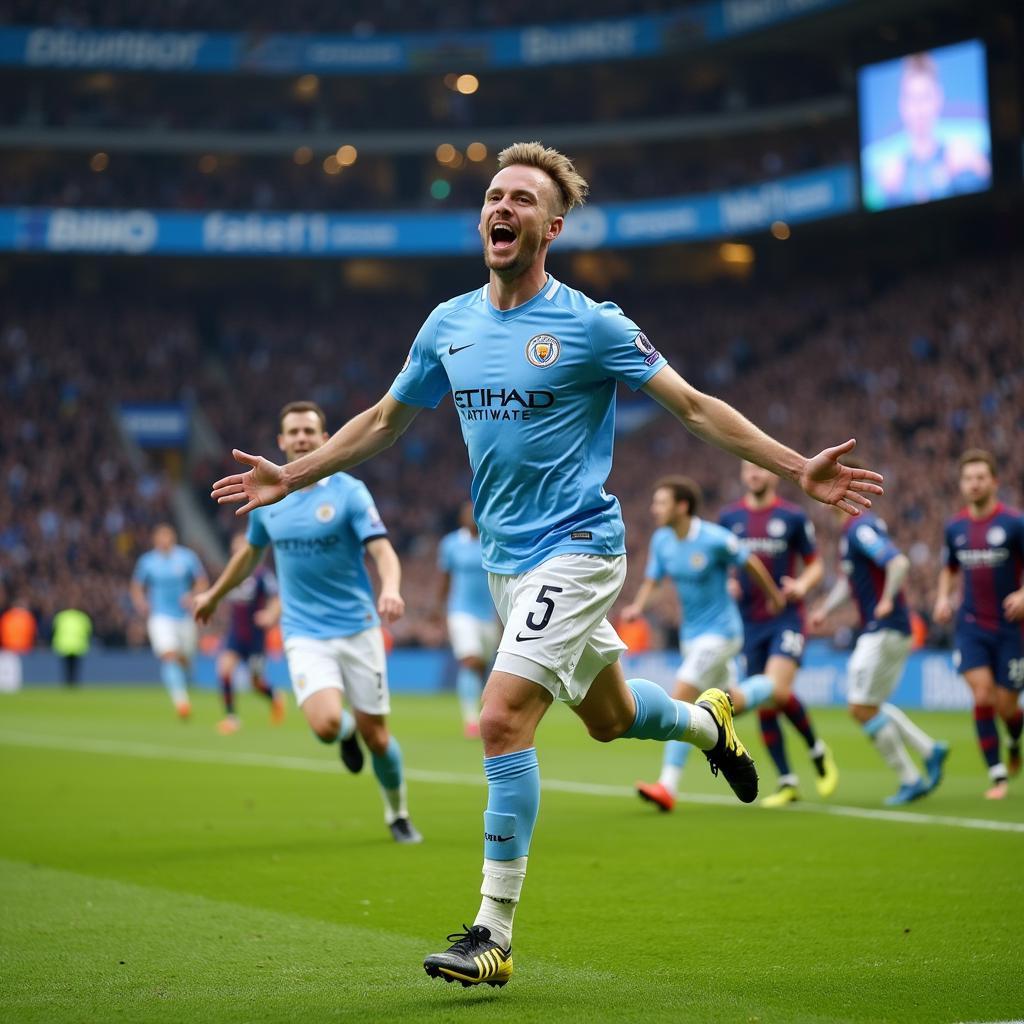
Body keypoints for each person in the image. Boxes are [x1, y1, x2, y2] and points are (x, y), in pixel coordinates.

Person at [211, 143, 882, 987]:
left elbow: (694, 407)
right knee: (607, 719)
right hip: (505, 564)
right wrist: (293, 475)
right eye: (494, 195)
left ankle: (492, 932)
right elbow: (385, 420)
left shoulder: (593, 323)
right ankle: (709, 724)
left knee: (500, 719)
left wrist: (794, 469)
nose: (503, 207)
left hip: (581, 547)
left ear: (551, 226)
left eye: (521, 199)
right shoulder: (447, 324)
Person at [196, 401, 421, 844]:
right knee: (324, 726)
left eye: (310, 431)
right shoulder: (267, 499)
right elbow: (249, 555)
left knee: (379, 739)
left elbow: (382, 550)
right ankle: (346, 731)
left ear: (325, 438)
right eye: (293, 432)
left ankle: (397, 813)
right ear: (281, 441)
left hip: (358, 628)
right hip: (303, 632)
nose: (301, 438)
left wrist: (391, 588)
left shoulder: (349, 492)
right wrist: (214, 593)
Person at [624, 475, 785, 813]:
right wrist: (639, 606)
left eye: (661, 502)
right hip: (692, 637)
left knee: (681, 698)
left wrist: (773, 595)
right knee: (730, 704)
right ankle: (768, 686)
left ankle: (667, 785)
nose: (655, 508)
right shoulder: (662, 541)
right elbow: (654, 581)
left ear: (682, 507)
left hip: (722, 634)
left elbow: (749, 562)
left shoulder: (713, 539)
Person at [809, 505, 947, 805]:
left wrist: (886, 600)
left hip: (884, 627)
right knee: (869, 705)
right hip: (884, 628)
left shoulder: (860, 528)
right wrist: (825, 609)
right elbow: (851, 582)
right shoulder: (851, 532)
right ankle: (929, 750)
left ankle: (910, 779)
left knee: (860, 708)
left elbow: (898, 562)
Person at [718, 462, 837, 807]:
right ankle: (787, 781)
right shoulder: (728, 519)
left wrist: (801, 584)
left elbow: (816, 564)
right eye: (748, 468)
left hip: (785, 617)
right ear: (741, 474)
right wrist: (726, 581)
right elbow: (719, 564)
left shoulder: (792, 517)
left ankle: (816, 750)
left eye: (760, 468)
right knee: (765, 700)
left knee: (777, 688)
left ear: (771, 474)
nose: (755, 474)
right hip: (747, 624)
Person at [933, 449, 1024, 800]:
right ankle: (997, 775)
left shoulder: (1014, 524)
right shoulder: (955, 527)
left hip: (1011, 628)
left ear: (994, 482)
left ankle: (1014, 739)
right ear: (961, 484)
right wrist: (943, 597)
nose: (974, 484)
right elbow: (949, 567)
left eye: (980, 478)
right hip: (971, 625)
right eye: (968, 478)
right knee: (982, 694)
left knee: (1007, 707)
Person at [878, 52, 990, 207]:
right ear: (902, 104)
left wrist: (980, 166)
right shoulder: (890, 174)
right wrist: (886, 192)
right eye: (912, 99)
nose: (919, 110)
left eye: (925, 97)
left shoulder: (965, 155)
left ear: (938, 98)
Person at [130, 523, 208, 719]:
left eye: (168, 537)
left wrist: (193, 595)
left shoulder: (187, 557)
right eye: (161, 537)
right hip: (160, 616)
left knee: (185, 658)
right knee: (169, 654)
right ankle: (181, 702)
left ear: (173, 538)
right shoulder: (147, 561)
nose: (164, 541)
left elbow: (201, 581)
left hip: (184, 617)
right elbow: (137, 585)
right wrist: (140, 602)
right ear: (155, 540)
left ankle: (184, 679)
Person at [213, 532, 286, 735]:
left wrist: (270, 614)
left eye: (242, 547)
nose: (238, 551)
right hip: (235, 635)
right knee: (224, 670)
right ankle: (231, 718)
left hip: (255, 637)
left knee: (255, 683)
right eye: (235, 548)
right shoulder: (231, 574)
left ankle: (275, 697)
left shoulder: (262, 575)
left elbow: (276, 598)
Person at [437, 500, 499, 738]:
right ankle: (471, 721)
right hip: (460, 611)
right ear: (461, 519)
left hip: (489, 613)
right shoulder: (451, 544)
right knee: (470, 661)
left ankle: (484, 715)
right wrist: (437, 607)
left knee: (483, 666)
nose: (471, 518)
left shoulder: (492, 541)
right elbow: (445, 577)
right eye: (467, 514)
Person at [51, 605, 92, 686]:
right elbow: (88, 631)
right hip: (78, 645)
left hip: (64, 645)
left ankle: (67, 683)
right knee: (75, 667)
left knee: (66, 667)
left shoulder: (61, 616)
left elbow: (53, 630)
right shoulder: (82, 617)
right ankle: (74, 683)